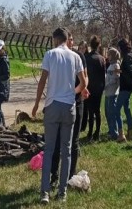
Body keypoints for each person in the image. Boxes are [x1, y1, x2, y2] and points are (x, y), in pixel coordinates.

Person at [32, 28, 87, 204]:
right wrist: (73, 92)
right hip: (69, 107)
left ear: (55, 39)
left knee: (49, 150)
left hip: (52, 105)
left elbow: (42, 81)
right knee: (67, 151)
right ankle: (62, 193)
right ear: (67, 39)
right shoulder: (76, 56)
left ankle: (45, 193)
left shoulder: (50, 54)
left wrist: (36, 104)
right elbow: (84, 82)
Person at [83, 35, 106, 142]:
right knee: (97, 110)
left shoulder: (86, 58)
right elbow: (103, 75)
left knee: (90, 111)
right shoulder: (102, 59)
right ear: (99, 45)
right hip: (99, 87)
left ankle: (90, 132)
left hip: (89, 87)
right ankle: (97, 132)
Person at [117, 38, 132, 141]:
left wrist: (119, 71)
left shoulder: (127, 57)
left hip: (126, 86)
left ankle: (121, 135)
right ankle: (130, 133)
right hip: (130, 86)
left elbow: (129, 72)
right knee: (127, 108)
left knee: (117, 110)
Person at [104, 48, 122, 140]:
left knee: (111, 113)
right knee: (107, 113)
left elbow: (116, 78)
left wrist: (106, 84)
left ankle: (114, 133)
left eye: (109, 54)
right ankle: (111, 130)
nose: (108, 56)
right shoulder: (110, 65)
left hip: (112, 92)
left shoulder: (116, 65)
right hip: (107, 92)